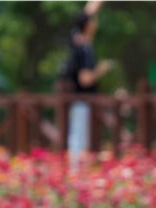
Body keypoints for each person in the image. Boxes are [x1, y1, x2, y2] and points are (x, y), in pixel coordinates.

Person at [65, 2, 113, 164]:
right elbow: (84, 79)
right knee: (79, 140)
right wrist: (101, 70)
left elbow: (85, 15)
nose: (96, 23)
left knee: (79, 139)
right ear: (88, 25)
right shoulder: (84, 48)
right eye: (93, 21)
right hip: (82, 100)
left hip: (79, 101)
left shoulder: (78, 41)